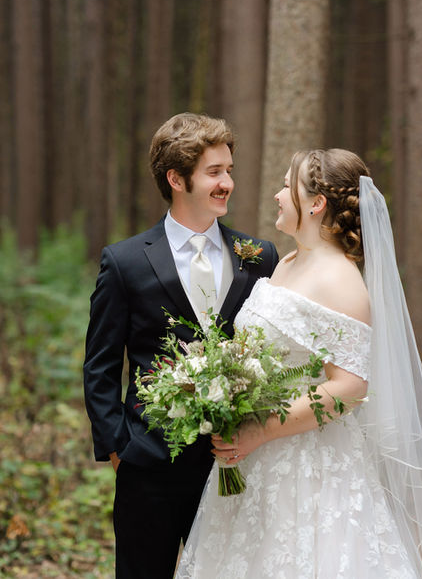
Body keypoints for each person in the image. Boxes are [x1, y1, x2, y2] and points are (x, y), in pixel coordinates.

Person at [176, 148, 422, 578]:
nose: (277, 195)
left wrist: (261, 429)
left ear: (315, 202)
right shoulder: (287, 261)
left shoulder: (341, 280)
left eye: (286, 185)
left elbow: (350, 388)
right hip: (253, 466)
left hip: (310, 473)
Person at [83, 112, 279, 579]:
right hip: (148, 464)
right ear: (176, 178)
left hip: (234, 465)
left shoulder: (259, 256)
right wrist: (119, 450)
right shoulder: (125, 261)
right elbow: (101, 366)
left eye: (229, 170)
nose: (227, 182)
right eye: (214, 172)